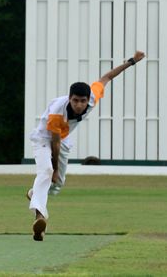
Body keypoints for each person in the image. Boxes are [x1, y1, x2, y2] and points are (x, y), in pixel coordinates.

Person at [27, 50, 146, 241]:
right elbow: (54, 144)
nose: (80, 105)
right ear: (70, 98)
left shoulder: (92, 97)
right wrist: (55, 169)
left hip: (63, 139)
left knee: (57, 185)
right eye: (75, 101)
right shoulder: (58, 111)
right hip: (44, 138)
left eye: (83, 101)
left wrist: (132, 61)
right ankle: (40, 216)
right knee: (47, 171)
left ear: (87, 98)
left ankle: (35, 194)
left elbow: (107, 77)